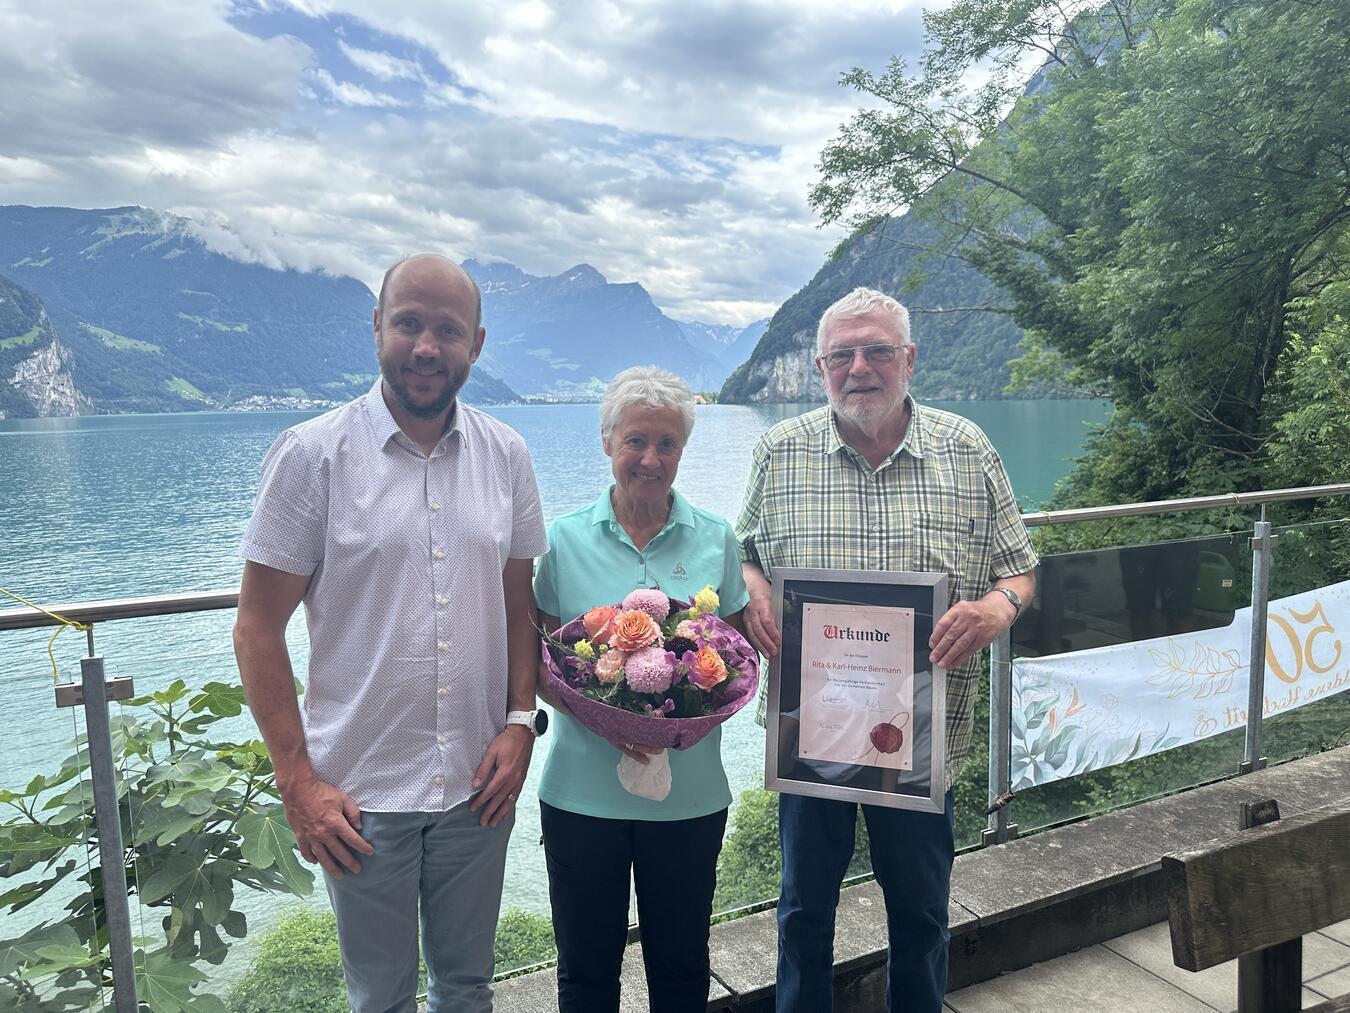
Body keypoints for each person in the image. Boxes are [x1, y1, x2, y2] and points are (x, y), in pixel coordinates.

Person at [232, 254, 549, 1013]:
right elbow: (255, 629)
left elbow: (519, 606)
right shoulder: (313, 456)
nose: (427, 347)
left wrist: (519, 723)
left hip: (479, 782)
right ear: (378, 327)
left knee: (468, 988)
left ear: (477, 342)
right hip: (360, 795)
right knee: (380, 997)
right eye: (409, 323)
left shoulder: (506, 454)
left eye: (447, 329)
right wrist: (298, 781)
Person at [735, 288, 1038, 1013]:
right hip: (814, 737)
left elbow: (1019, 568)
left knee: (922, 915)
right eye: (842, 355)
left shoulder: (969, 450)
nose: (859, 368)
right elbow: (742, 553)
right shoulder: (780, 452)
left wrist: (999, 607)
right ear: (820, 367)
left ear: (908, 358)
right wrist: (750, 587)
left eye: (875, 351)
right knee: (803, 914)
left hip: (925, 738)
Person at [532, 366, 749, 1013]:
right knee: (586, 976)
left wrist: (685, 715)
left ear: (682, 450)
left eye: (667, 443)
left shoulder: (717, 537)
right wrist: (599, 711)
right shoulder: (563, 540)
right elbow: (542, 660)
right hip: (579, 796)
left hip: (691, 797)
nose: (650, 458)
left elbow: (735, 662)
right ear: (607, 443)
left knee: (682, 972)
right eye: (635, 441)